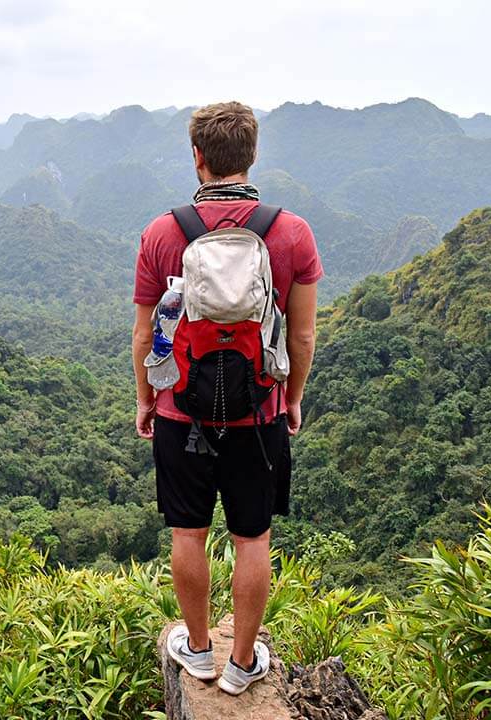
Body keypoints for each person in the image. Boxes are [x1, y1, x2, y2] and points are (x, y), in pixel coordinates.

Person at [132, 101, 323, 695]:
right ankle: (242, 664)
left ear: (197, 158)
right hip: (258, 407)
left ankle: (196, 650)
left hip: (180, 407)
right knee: (252, 537)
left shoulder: (164, 232)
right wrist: (291, 398)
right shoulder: (290, 232)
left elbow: (146, 331)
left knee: (187, 532)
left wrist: (146, 398)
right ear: (252, 155)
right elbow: (304, 333)